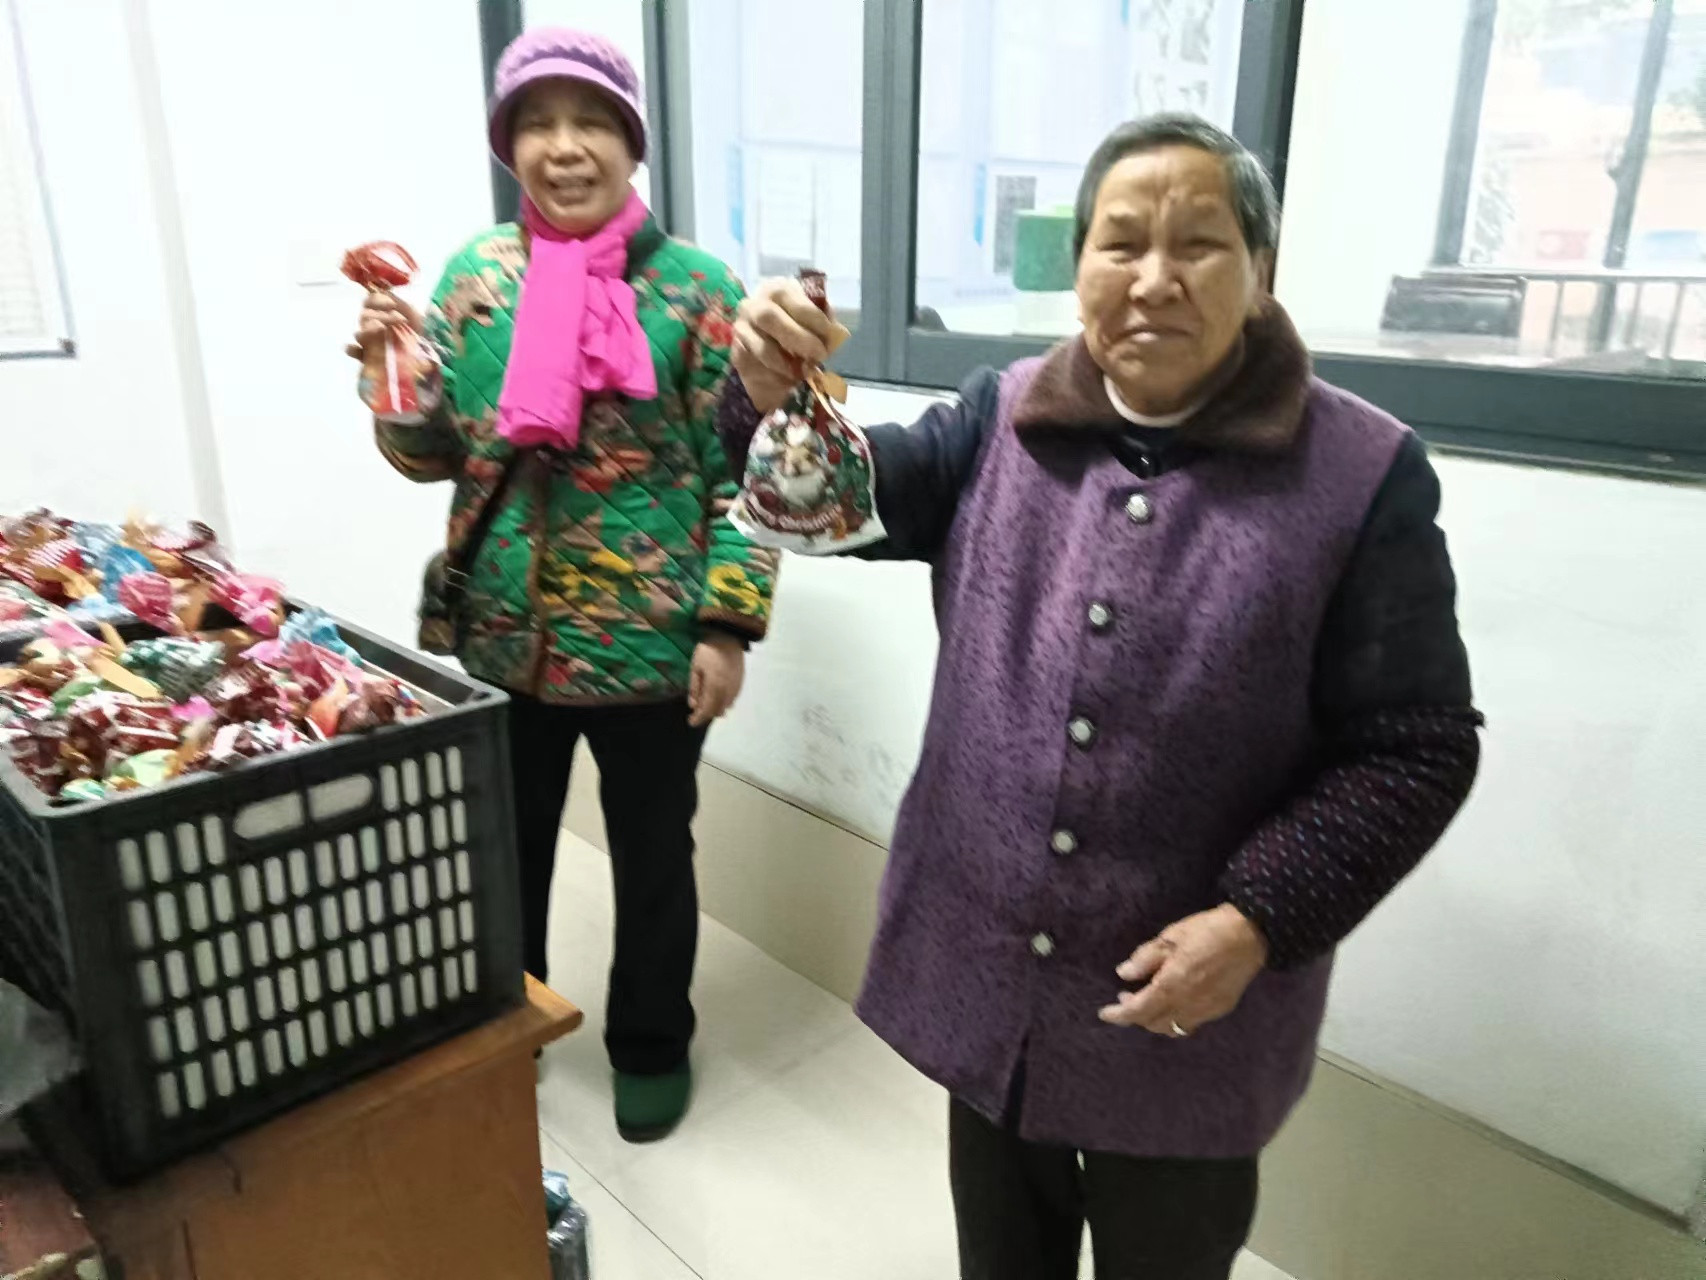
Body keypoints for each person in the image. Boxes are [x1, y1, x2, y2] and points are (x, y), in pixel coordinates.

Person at [718, 115, 1482, 1279]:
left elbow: (1416, 746)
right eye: (1119, 243)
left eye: (1198, 244)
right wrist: (765, 395)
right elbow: (832, 501)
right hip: (994, 989)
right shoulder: (1001, 414)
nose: (1153, 278)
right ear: (1077, 269)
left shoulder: (1360, 472)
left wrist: (1257, 917)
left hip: (1188, 1013)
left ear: (1259, 272)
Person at [353, 29, 776, 1143]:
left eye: (590, 121)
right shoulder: (474, 279)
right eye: (536, 124)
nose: (564, 147)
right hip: (506, 634)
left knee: (653, 858)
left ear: (632, 143)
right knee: (504, 852)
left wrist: (727, 627)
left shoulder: (698, 292)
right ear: (510, 146)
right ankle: (511, 1029)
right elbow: (437, 456)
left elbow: (750, 476)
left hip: (652, 641)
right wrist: (392, 386)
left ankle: (651, 1043)